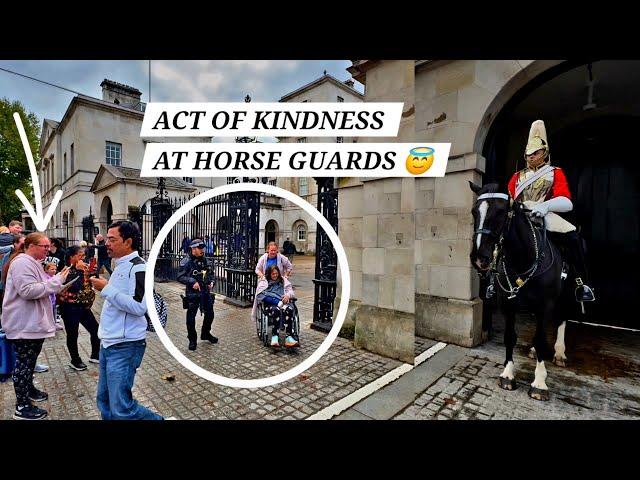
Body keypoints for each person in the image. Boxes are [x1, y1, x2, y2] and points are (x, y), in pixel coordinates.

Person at [508, 119, 595, 303]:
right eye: (528, 153)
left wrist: (545, 206)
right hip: (520, 215)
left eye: (535, 152)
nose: (531, 156)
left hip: (543, 214)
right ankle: (492, 278)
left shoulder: (554, 172)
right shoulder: (517, 176)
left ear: (544, 152)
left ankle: (582, 284)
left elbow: (567, 202)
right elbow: (510, 199)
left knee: (573, 237)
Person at [89, 220, 163, 420]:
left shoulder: (139, 268)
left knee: (122, 408)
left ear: (128, 241)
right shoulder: (120, 265)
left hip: (125, 345)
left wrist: (106, 289)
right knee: (104, 400)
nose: (107, 243)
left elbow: (139, 307)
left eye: (112, 239)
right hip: (109, 342)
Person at [1, 233, 70, 420]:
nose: (48, 250)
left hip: (31, 323)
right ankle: (21, 407)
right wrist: (56, 282)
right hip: (24, 323)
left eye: (49, 246)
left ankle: (29, 390)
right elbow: (27, 290)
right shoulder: (22, 263)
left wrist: (52, 279)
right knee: (23, 364)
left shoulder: (31, 262)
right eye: (44, 246)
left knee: (29, 362)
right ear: (30, 245)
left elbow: (38, 284)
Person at [57, 245, 101, 371]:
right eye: (80, 255)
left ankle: (95, 355)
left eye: (84, 255)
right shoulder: (65, 271)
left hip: (84, 306)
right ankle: (75, 360)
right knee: (73, 334)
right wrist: (78, 271)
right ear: (72, 257)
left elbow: (93, 281)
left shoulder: (84, 268)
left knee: (96, 330)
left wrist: (93, 271)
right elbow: (74, 286)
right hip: (69, 307)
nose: (83, 258)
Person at [177, 238, 217, 351]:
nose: (202, 250)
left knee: (210, 314)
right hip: (193, 294)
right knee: (191, 318)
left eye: (202, 248)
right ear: (193, 249)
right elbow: (180, 276)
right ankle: (192, 340)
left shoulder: (205, 260)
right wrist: (192, 282)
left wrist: (212, 282)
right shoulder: (186, 261)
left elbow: (211, 274)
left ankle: (205, 333)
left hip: (205, 292)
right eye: (199, 248)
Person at [256, 265, 298, 348]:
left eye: (276, 273)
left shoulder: (283, 280)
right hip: (270, 305)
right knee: (276, 310)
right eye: (273, 274)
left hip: (284, 303)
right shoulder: (264, 282)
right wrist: (277, 302)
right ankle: (275, 336)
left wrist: (288, 295)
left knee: (289, 309)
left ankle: (289, 337)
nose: (275, 275)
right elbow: (260, 295)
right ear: (269, 274)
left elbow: (291, 291)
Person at [252, 242, 293, 322]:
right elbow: (257, 269)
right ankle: (277, 303)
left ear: (277, 250)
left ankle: (281, 311)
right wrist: (262, 276)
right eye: (271, 250)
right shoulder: (264, 258)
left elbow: (289, 266)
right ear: (268, 250)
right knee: (261, 293)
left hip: (278, 281)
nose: (273, 252)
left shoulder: (281, 257)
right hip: (266, 281)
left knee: (283, 292)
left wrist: (285, 276)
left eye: (275, 250)